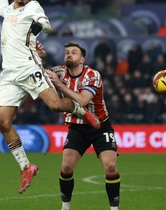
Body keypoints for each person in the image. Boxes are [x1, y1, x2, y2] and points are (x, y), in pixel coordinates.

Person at [0, 0, 100, 194]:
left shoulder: (33, 6)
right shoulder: (7, 11)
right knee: (3, 122)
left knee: (54, 105)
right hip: (8, 74)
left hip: (28, 67)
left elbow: (47, 25)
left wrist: (38, 27)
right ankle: (26, 166)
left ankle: (80, 109)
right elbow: (0, 5)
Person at [44, 42, 120, 210]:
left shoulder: (92, 75)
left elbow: (83, 100)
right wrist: (37, 55)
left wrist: (59, 84)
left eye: (74, 53)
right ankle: (65, 207)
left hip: (100, 126)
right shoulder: (59, 71)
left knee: (110, 166)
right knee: (66, 167)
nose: (69, 55)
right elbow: (38, 72)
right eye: (67, 53)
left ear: (82, 59)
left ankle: (114, 209)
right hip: (76, 127)